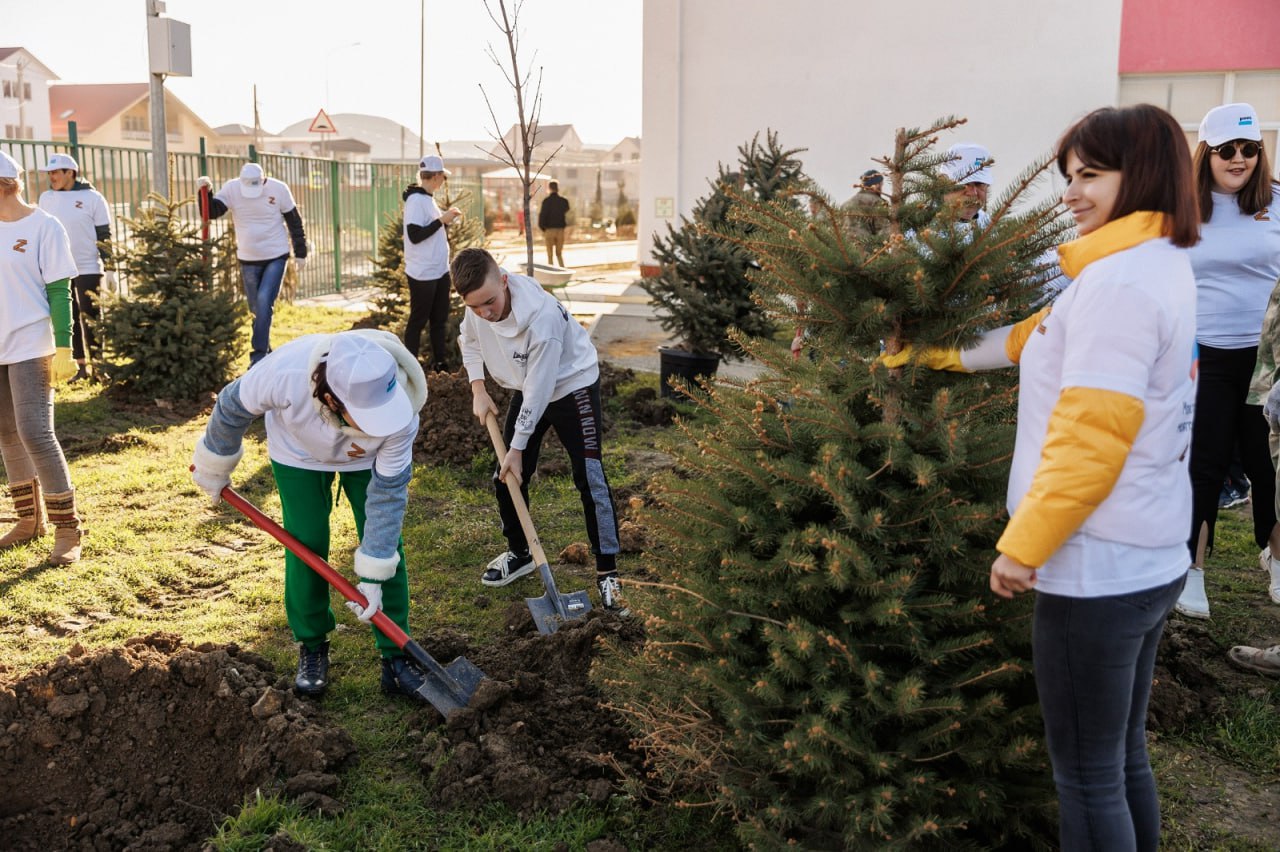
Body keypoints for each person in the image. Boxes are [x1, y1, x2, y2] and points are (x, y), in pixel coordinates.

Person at [886, 104, 1199, 851]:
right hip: (1152, 555)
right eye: (1069, 176)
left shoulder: (1119, 286)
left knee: (1087, 778)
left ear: (1145, 173)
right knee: (1122, 758)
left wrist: (1023, 546)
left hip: (1094, 568)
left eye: (1091, 175)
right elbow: (1039, 337)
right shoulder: (1149, 263)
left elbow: (1091, 441)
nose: (1071, 192)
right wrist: (932, 356)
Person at [190, 330, 431, 700]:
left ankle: (397, 658)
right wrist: (215, 462)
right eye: (367, 417)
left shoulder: (402, 411)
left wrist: (374, 572)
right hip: (297, 453)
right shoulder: (283, 373)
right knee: (306, 543)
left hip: (367, 461)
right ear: (332, 399)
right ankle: (313, 645)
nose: (379, 423)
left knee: (386, 546)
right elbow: (231, 405)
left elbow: (389, 495)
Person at [451, 247, 626, 614]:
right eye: (474, 306)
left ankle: (608, 572)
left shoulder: (541, 320)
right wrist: (478, 388)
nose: (484, 312)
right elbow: (468, 341)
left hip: (570, 383)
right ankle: (521, 552)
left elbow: (540, 391)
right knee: (507, 475)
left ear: (504, 280)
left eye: (489, 302)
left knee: (588, 474)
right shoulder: (477, 308)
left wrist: (517, 446)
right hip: (528, 384)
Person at [1174, 102, 1280, 620]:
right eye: (1227, 150)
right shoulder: (1179, 209)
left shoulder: (1277, 202)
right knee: (1204, 466)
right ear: (1207, 154)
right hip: (1205, 354)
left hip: (1267, 361)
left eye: (1250, 149)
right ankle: (1192, 572)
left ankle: (1277, 559)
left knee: (1270, 465)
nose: (1240, 160)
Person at [0, 150, 85, 564]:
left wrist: (65, 346)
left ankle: (68, 529)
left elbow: (58, 289)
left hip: (32, 341)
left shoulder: (44, 227)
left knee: (34, 431)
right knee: (6, 432)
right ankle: (28, 520)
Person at [197, 163, 308, 367]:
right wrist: (205, 191)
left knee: (265, 300)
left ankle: (258, 357)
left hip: (276, 254)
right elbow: (211, 212)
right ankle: (265, 348)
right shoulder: (232, 189)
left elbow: (294, 221)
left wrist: (301, 252)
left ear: (264, 180)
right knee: (256, 308)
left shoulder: (278, 189)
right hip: (248, 258)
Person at [36, 153, 113, 383]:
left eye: (56, 172)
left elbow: (104, 235)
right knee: (69, 316)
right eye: (49, 173)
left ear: (71, 173)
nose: (52, 177)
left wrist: (110, 268)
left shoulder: (93, 198)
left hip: (88, 266)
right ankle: (80, 366)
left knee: (91, 316)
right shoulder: (46, 198)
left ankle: (99, 365)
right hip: (58, 268)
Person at [402, 155, 463, 373]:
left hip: (438, 270)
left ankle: (440, 364)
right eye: (443, 177)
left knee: (439, 320)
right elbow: (415, 235)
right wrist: (441, 221)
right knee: (418, 320)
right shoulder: (416, 201)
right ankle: (410, 366)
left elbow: (430, 231)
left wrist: (444, 222)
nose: (443, 181)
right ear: (436, 176)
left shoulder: (427, 198)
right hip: (422, 272)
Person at [940, 142, 993, 226]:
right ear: (941, 185)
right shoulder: (915, 229)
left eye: (979, 184)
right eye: (963, 183)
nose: (972, 193)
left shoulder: (993, 228)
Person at [843, 168, 887, 237]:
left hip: (843, 246)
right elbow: (883, 230)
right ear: (877, 185)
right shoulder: (878, 202)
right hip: (867, 246)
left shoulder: (846, 204)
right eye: (881, 184)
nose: (882, 187)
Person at [537, 179, 570, 267]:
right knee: (559, 253)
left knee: (550, 255)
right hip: (560, 230)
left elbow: (542, 215)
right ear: (557, 188)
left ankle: (551, 271)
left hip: (549, 230)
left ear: (549, 188)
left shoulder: (546, 201)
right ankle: (562, 270)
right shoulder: (564, 201)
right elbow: (567, 209)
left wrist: (543, 228)